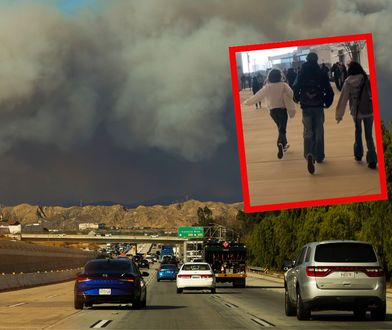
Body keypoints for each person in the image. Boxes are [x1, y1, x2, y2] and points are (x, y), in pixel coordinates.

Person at [293, 52, 334, 174]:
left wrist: (297, 98)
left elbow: (295, 87)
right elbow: (328, 89)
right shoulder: (321, 72)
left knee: (308, 130)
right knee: (319, 130)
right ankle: (319, 155)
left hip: (306, 105)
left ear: (306, 59)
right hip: (318, 105)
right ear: (316, 60)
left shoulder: (302, 72)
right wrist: (327, 102)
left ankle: (309, 154)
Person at [243, 69, 294, 159]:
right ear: (280, 76)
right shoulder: (283, 85)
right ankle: (280, 143)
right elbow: (291, 94)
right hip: (282, 110)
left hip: (272, 111)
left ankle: (284, 145)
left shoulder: (267, 87)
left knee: (280, 127)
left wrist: (247, 102)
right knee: (282, 129)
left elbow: (258, 96)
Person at [335, 61, 377, 169]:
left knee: (358, 132)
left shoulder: (348, 82)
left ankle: (358, 154)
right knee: (369, 135)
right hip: (369, 111)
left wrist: (339, 115)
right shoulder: (366, 79)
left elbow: (343, 99)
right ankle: (372, 159)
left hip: (356, 112)